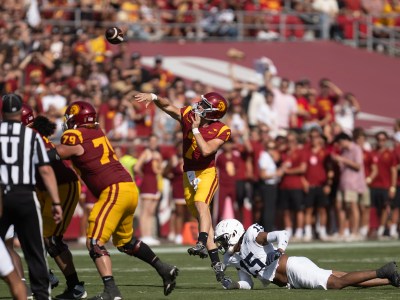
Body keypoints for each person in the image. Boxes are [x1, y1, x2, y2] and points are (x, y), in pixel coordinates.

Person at [48, 101, 178, 299]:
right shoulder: (97, 132)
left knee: (94, 242)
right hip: (128, 188)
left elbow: (61, 153)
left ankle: (111, 291)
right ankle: (164, 268)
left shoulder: (75, 136)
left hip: (114, 190)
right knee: (125, 242)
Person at [135, 91, 231, 282]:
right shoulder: (189, 115)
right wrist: (154, 97)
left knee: (201, 204)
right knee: (204, 218)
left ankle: (201, 242)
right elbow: (169, 106)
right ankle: (217, 264)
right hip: (189, 174)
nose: (199, 106)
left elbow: (206, 150)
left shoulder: (222, 129)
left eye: (205, 105)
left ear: (213, 113)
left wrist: (195, 130)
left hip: (206, 173)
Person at [214, 219, 400, 291]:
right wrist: (233, 285)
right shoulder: (232, 258)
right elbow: (248, 283)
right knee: (345, 279)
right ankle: (390, 279)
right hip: (290, 280)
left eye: (222, 240)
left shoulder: (252, 236)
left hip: (293, 268)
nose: (221, 244)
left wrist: (279, 250)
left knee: (336, 284)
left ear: (232, 234)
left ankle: (382, 271)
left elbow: (282, 234)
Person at [0, 93, 63, 300]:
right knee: (35, 251)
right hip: (25, 196)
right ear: (20, 112)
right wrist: (55, 202)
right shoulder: (31, 136)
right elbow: (45, 170)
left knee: (5, 246)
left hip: (1, 197)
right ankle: (41, 295)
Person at [30, 114, 87, 299]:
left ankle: (75, 286)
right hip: (43, 187)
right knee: (35, 234)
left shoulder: (30, 135)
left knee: (51, 239)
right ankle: (47, 276)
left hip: (61, 185)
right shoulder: (33, 134)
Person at [134, 135, 163, 246]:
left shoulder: (158, 154)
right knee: (145, 211)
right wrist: (144, 175)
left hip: (156, 183)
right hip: (147, 183)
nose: (153, 143)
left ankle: (149, 235)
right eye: (151, 141)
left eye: (155, 141)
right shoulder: (146, 153)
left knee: (151, 211)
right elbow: (137, 167)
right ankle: (144, 235)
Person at [0, 185, 27, 300]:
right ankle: (24, 286)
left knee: (8, 249)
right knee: (9, 249)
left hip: (5, 212)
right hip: (8, 208)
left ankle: (22, 285)